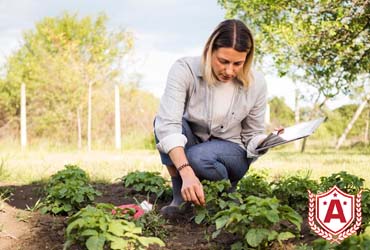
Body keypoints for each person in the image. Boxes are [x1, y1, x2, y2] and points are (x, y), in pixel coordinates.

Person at [154, 19, 268, 217]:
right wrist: (186, 171)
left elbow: (253, 134)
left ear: (247, 59)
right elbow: (168, 126)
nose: (229, 71)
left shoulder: (256, 83)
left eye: (238, 63)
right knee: (163, 123)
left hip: (233, 152)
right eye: (223, 61)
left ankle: (225, 196)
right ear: (209, 50)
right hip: (195, 142)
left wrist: (265, 141)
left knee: (198, 156)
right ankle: (181, 198)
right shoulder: (185, 70)